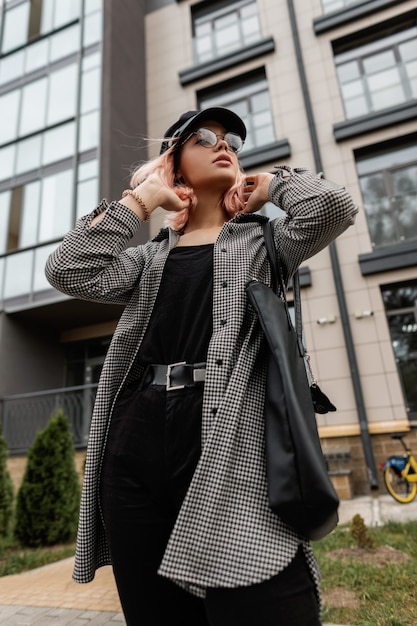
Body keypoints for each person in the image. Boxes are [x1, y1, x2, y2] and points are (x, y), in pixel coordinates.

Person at [45, 106, 358, 626]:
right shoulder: (147, 260)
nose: (225, 145)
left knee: (266, 604)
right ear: (175, 165)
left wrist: (266, 186)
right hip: (134, 447)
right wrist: (143, 198)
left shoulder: (265, 243)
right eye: (204, 138)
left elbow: (332, 207)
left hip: (231, 439)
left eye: (232, 140)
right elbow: (68, 269)